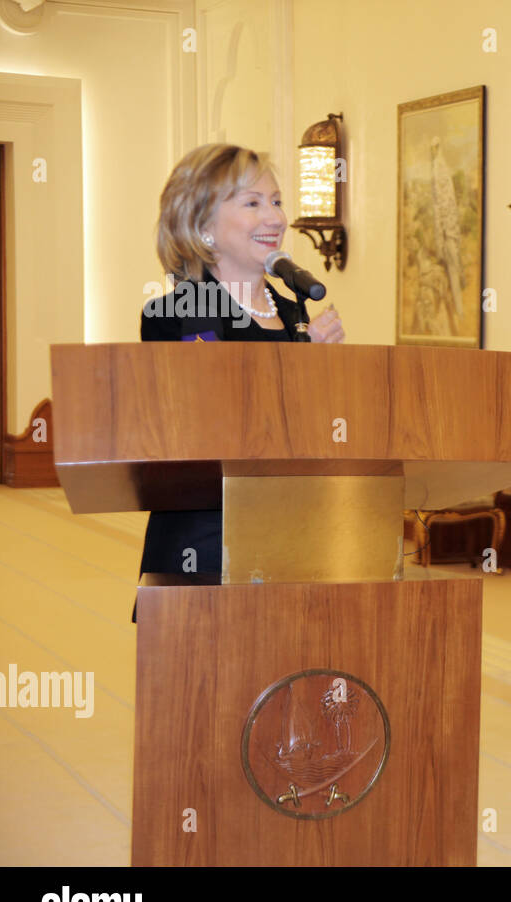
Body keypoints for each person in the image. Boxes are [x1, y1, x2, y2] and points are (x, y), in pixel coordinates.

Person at [132, 144, 345, 623]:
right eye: (252, 203)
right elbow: (221, 421)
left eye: (276, 200)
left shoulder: (293, 313)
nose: (274, 216)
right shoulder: (178, 314)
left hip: (296, 537)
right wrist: (306, 363)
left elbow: (313, 429)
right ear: (202, 225)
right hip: (208, 548)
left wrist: (333, 375)